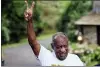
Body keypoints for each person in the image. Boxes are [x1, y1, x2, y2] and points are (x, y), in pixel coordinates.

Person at [24, 0, 84, 66]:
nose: (63, 50)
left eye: (65, 46)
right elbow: (33, 42)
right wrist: (30, 21)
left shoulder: (75, 59)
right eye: (59, 47)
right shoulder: (46, 56)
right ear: (52, 46)